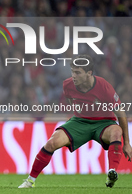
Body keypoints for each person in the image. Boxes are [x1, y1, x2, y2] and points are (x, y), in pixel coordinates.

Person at [19, 55, 132, 188]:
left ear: (89, 73)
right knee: (51, 143)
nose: (73, 76)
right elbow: (72, 101)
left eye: (78, 73)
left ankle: (112, 172)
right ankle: (29, 181)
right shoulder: (67, 85)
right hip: (80, 121)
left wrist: (127, 143)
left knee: (116, 131)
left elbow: (121, 113)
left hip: (104, 123)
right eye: (72, 71)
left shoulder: (104, 87)